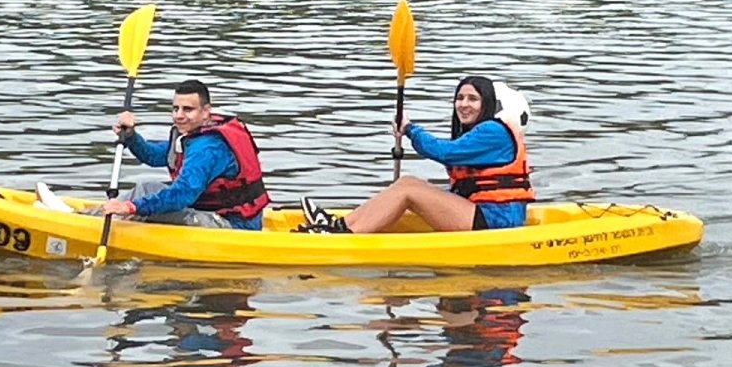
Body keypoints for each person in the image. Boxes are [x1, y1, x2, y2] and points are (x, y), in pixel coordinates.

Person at [299, 76, 533, 234]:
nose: (464, 104)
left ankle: (343, 235)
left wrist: (410, 129)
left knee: (409, 191)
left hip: (498, 222)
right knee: (408, 183)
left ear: (487, 104)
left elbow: (444, 152)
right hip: (484, 213)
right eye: (460, 98)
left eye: (473, 99)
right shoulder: (479, 132)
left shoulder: (493, 131)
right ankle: (339, 224)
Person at [96, 79, 270, 230]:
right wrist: (131, 137)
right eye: (175, 108)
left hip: (232, 225)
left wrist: (131, 207)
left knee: (144, 205)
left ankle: (98, 221)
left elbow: (183, 194)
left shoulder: (208, 148)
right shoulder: (192, 136)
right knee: (147, 189)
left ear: (206, 111)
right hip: (210, 212)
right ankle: (97, 216)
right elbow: (154, 155)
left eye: (187, 109)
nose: (179, 115)